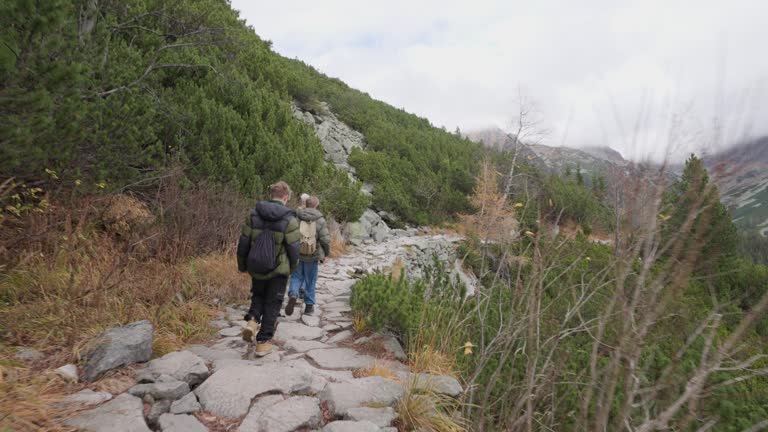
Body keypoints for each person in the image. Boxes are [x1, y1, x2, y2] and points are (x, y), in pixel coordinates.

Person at [236, 181, 300, 356]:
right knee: (273, 303)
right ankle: (263, 342)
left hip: (256, 265)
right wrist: (292, 267)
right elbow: (294, 248)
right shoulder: (289, 219)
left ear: (271, 195)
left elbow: (244, 242)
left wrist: (242, 264)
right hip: (279, 269)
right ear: (286, 197)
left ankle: (253, 321)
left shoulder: (254, 215)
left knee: (258, 295)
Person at [285, 195, 330, 316]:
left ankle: (293, 294)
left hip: (298, 254)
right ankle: (309, 307)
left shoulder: (297, 217)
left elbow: (291, 235)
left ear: (306, 204)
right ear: (316, 205)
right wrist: (325, 253)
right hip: (313, 255)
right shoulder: (320, 220)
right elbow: (325, 240)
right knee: (310, 280)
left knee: (296, 277)